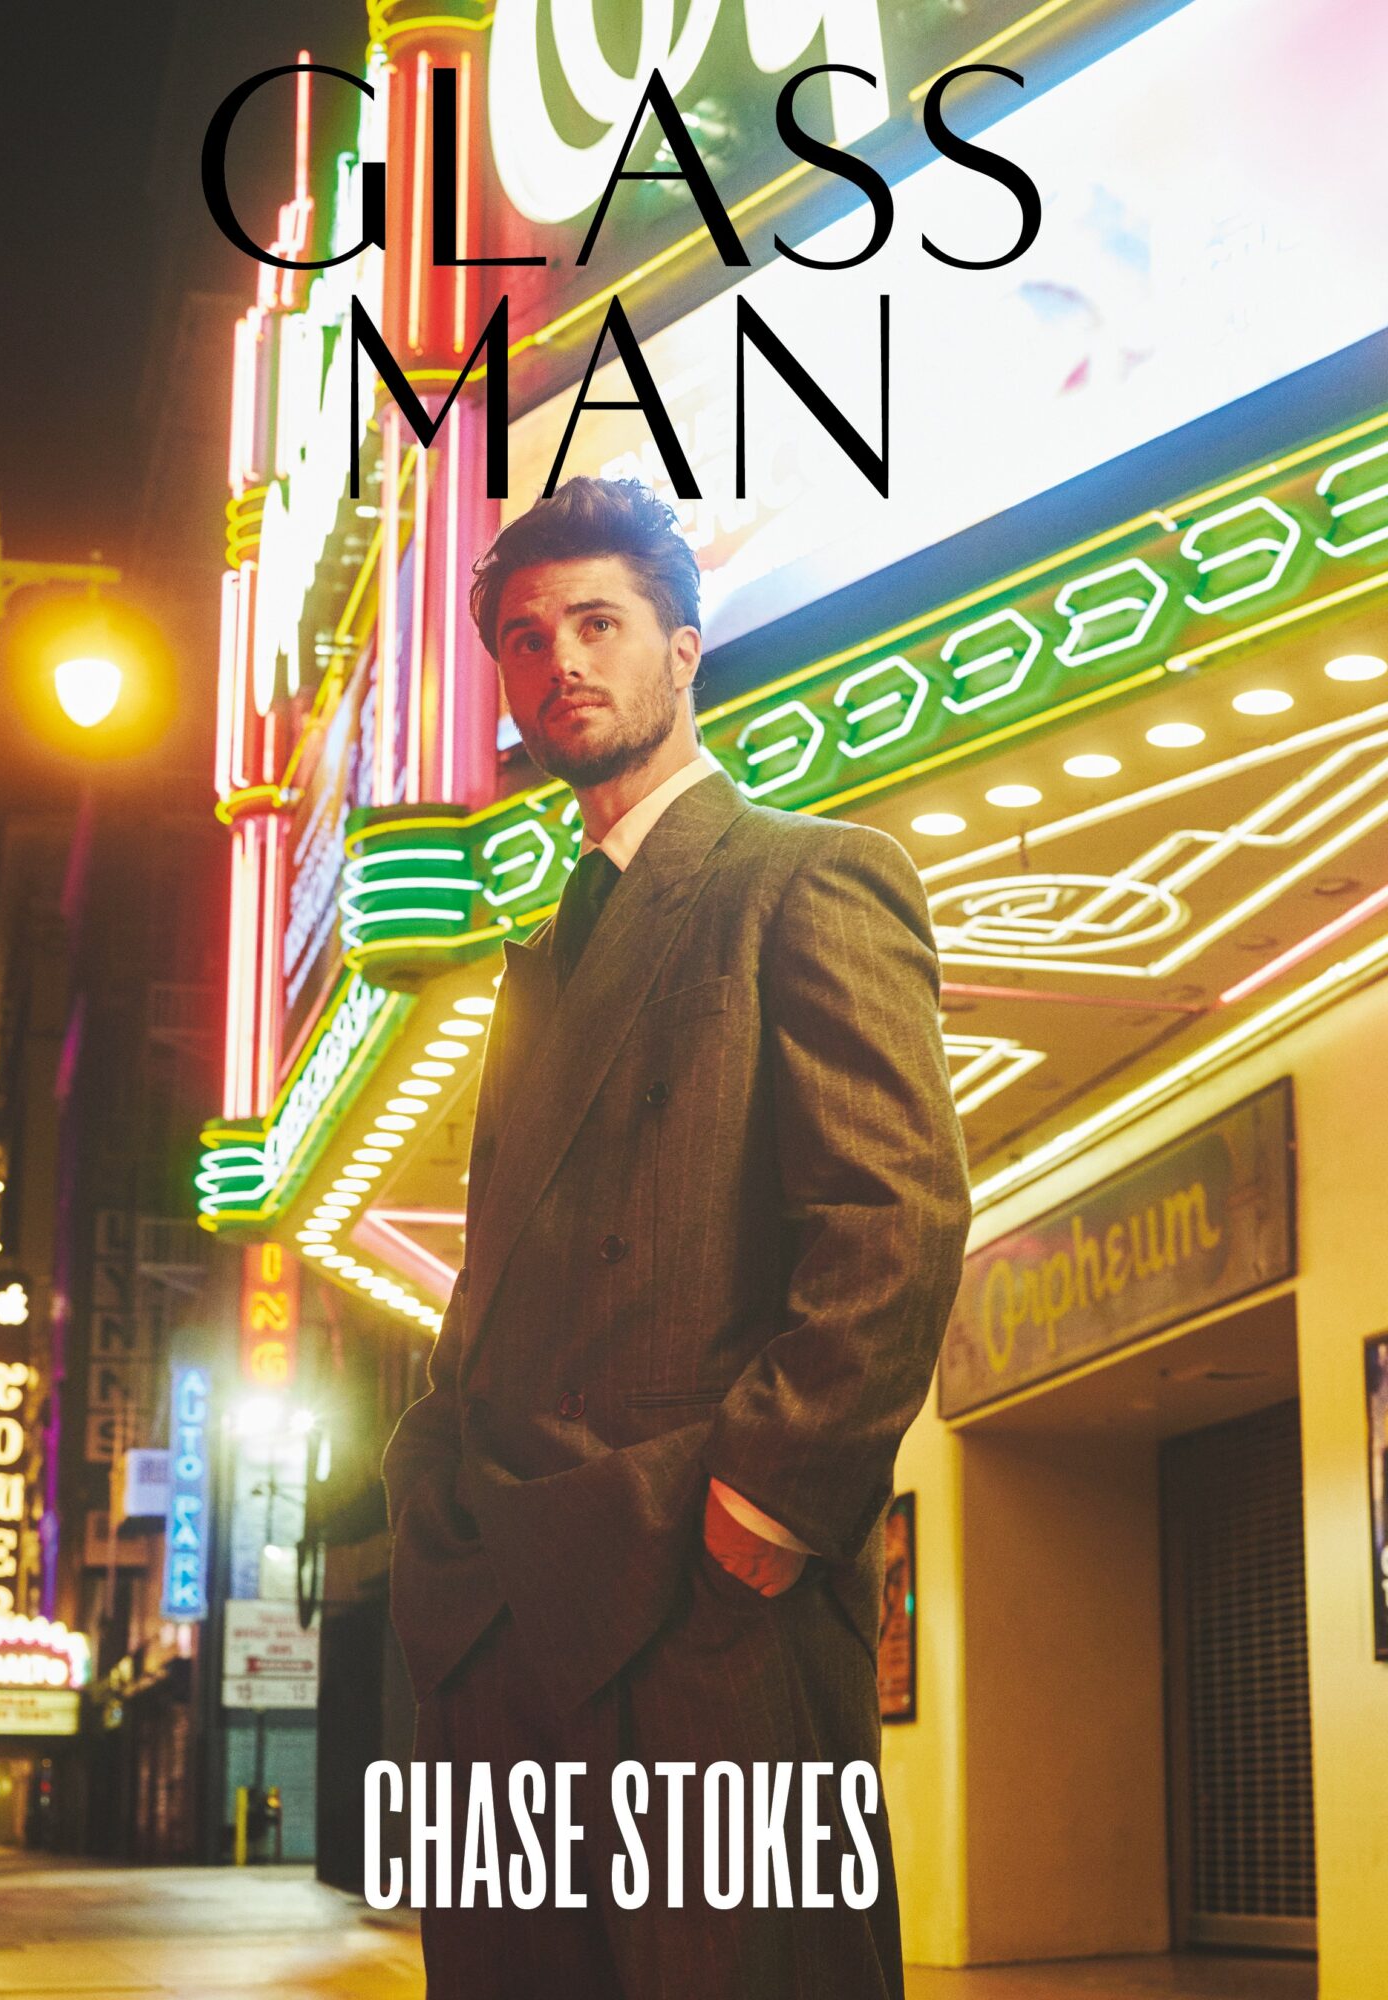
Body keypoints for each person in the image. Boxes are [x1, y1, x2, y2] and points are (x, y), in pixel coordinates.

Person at [383, 476, 971, 1998]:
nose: (557, 663)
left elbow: (890, 1219)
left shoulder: (806, 876)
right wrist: (438, 1494)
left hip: (696, 1603)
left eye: (596, 623)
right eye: (523, 638)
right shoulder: (540, 954)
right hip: (503, 1610)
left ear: (684, 646)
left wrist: (760, 1516)